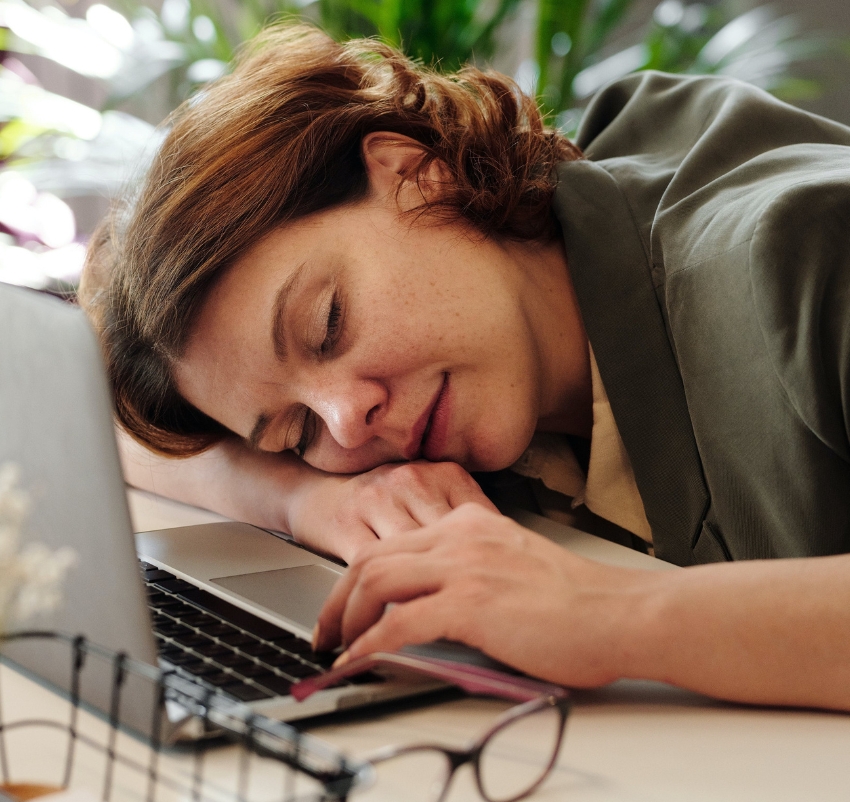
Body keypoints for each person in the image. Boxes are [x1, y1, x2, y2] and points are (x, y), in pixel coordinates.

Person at [80, 23, 850, 711]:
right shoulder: (510, 301)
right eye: (292, 429)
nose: (347, 420)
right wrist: (301, 499)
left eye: (328, 324)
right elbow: (98, 423)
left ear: (416, 172)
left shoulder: (803, 261)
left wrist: (612, 615)